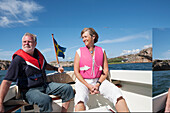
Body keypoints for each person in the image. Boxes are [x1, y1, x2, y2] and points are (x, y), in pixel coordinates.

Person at [0, 32, 74, 112]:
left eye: (29, 42)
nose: (26, 44)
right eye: (24, 42)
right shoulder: (18, 60)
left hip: (44, 86)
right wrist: (0, 103)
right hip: (28, 91)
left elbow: (45, 65)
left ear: (35, 43)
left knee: (68, 89)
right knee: (45, 100)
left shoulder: (38, 55)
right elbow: (7, 81)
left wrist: (56, 69)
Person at [74, 28, 129, 112]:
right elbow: (76, 72)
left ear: (93, 37)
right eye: (82, 38)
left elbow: (105, 71)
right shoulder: (79, 52)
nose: (83, 39)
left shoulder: (102, 51)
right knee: (80, 99)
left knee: (117, 93)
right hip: (83, 81)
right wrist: (88, 86)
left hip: (99, 81)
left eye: (85, 36)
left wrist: (97, 84)